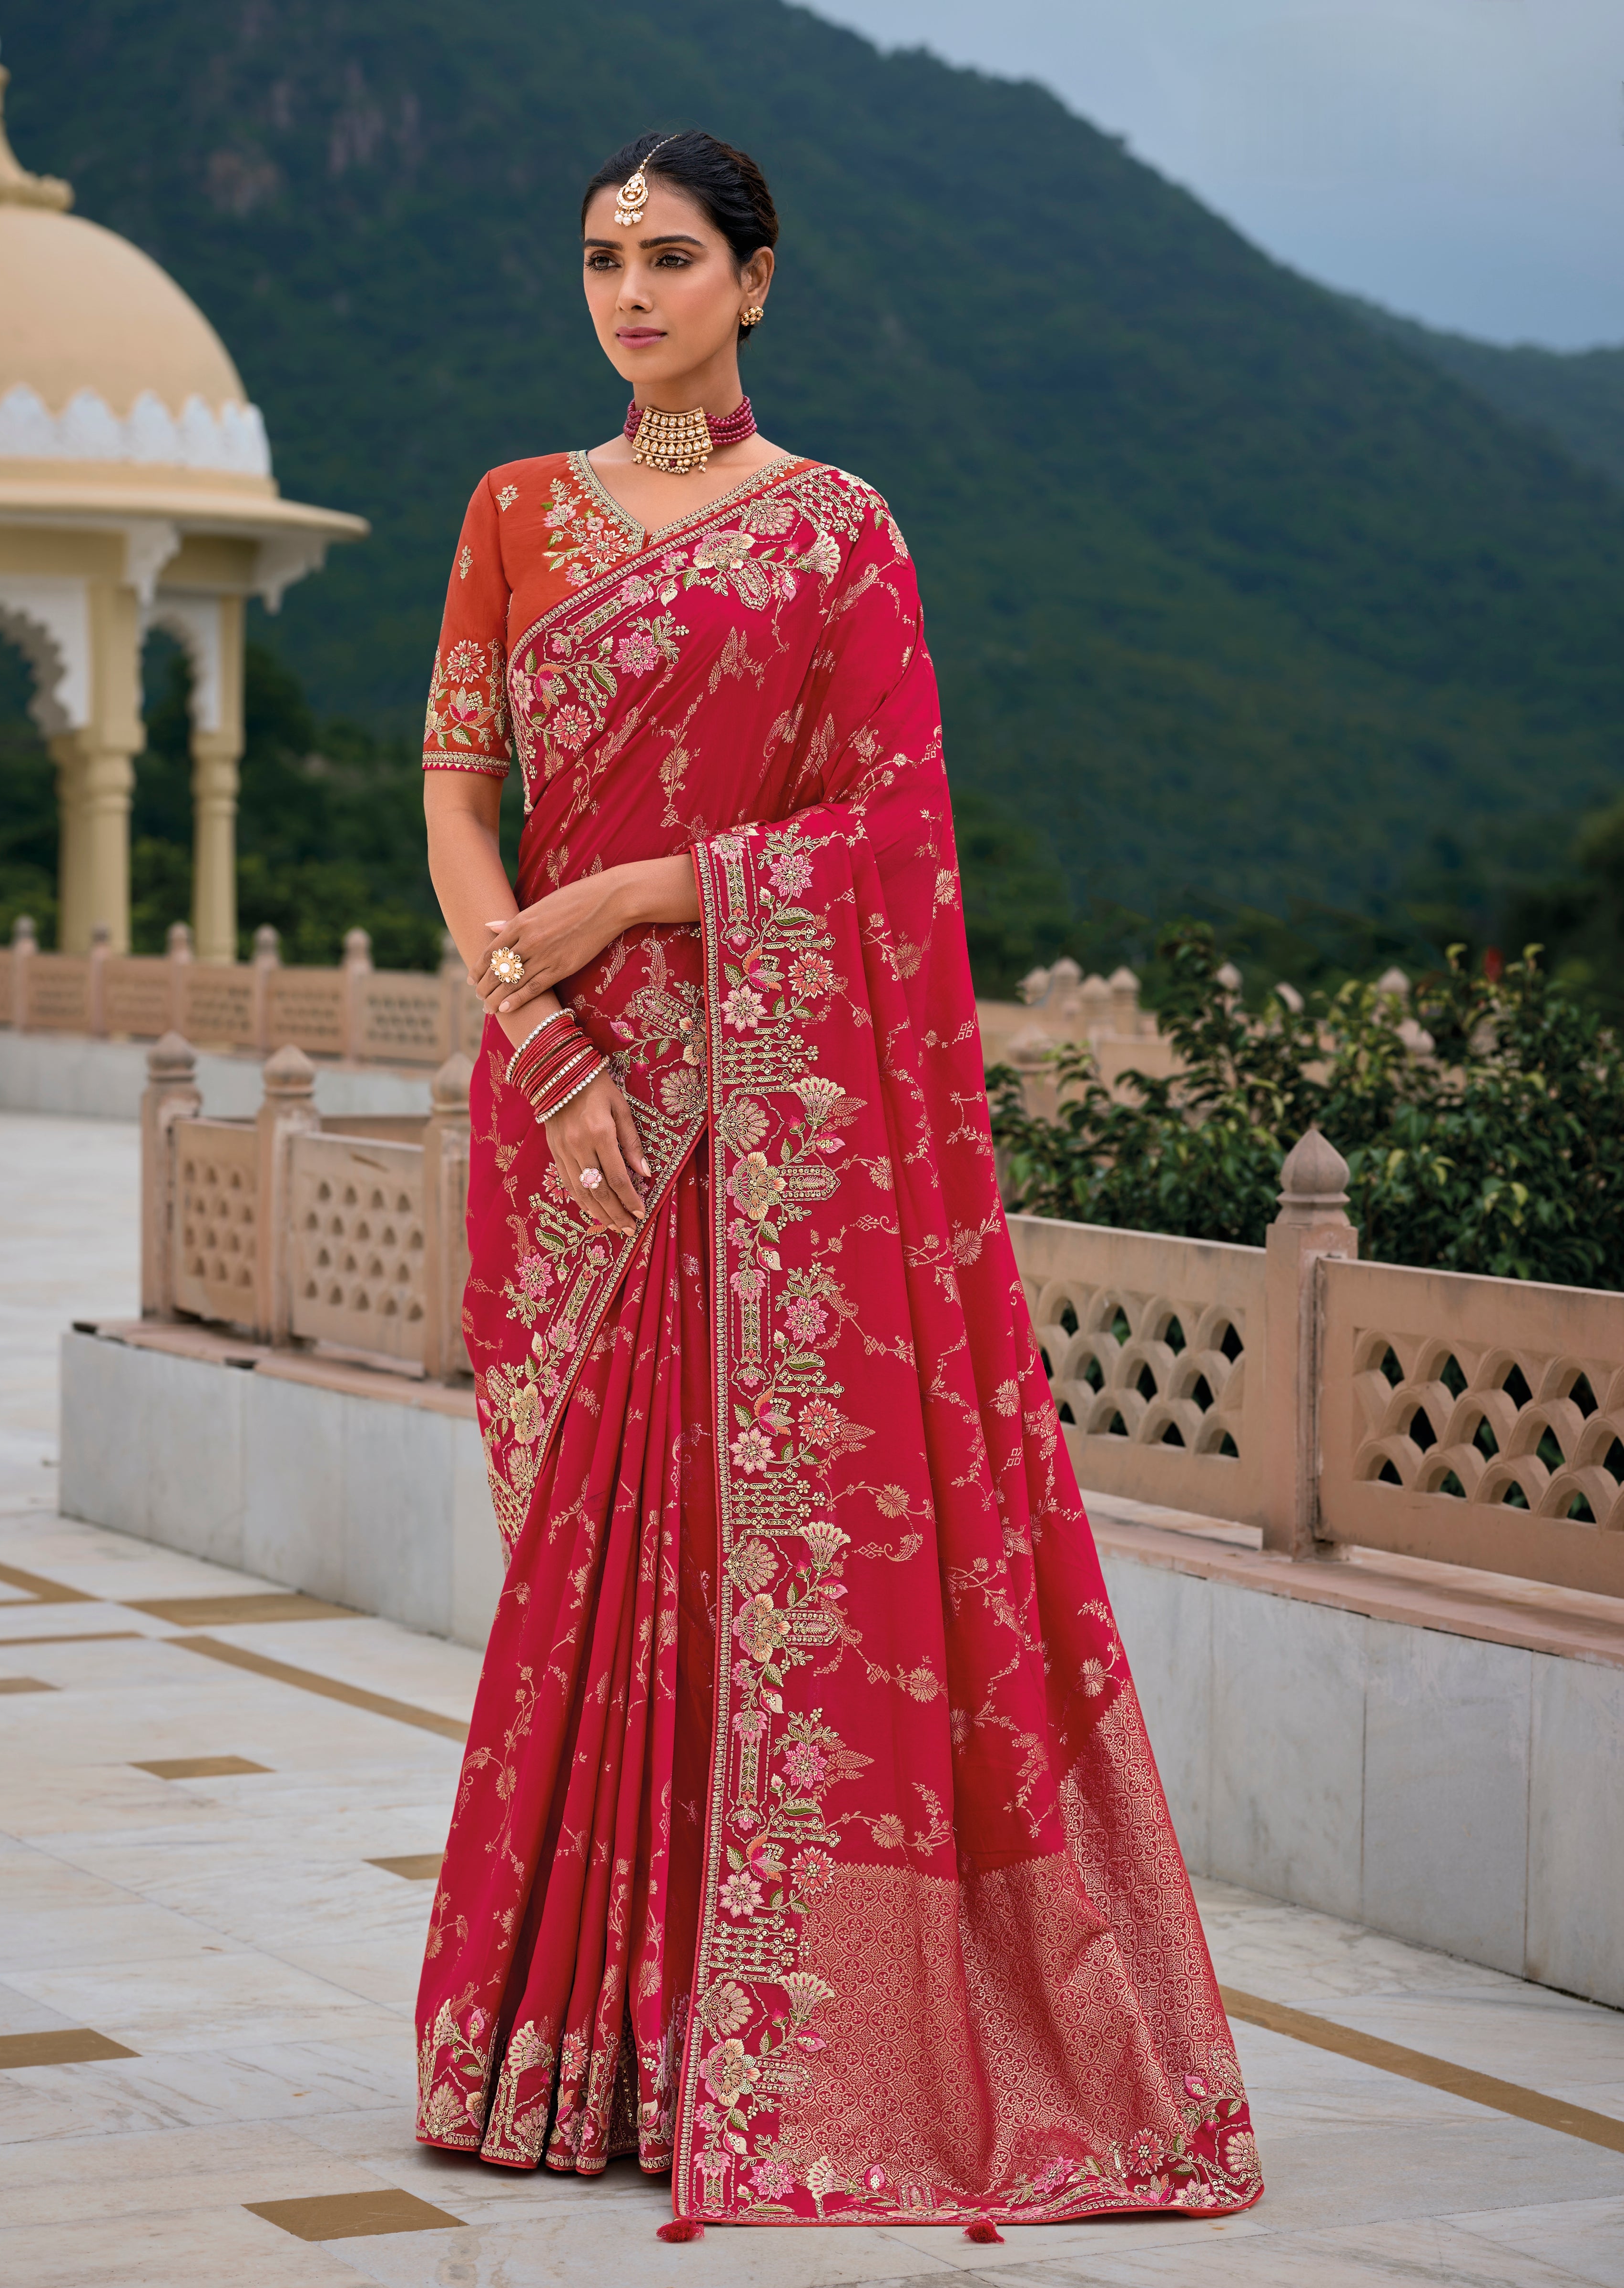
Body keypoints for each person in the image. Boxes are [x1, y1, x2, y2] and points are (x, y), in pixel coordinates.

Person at [416, 128, 1262, 2239]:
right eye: (603, 256)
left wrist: (639, 885)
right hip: (572, 1111)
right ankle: (574, 2053)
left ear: (758, 281)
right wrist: (540, 1023)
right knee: (584, 1592)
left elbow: (894, 852)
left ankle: (759, 2050)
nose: (631, 294)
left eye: (674, 258)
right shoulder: (517, 513)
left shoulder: (838, 538)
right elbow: (452, 797)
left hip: (768, 1141)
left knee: (761, 1578)